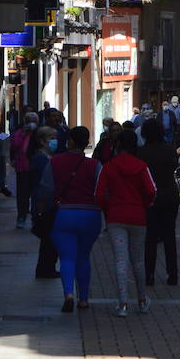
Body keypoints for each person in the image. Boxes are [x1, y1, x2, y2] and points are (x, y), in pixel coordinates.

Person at [95, 130, 157, 317]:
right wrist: (144, 205)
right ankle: (142, 300)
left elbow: (99, 194)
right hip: (137, 216)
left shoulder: (109, 166)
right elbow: (151, 191)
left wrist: (108, 208)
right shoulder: (142, 166)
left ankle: (122, 304)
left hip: (115, 216)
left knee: (120, 260)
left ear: (118, 145)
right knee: (138, 261)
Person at [44, 125, 102, 312]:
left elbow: (46, 189)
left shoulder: (55, 162)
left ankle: (69, 293)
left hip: (64, 214)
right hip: (90, 215)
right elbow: (101, 190)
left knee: (67, 258)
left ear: (69, 141)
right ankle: (83, 299)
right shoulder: (95, 165)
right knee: (83, 256)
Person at [139, 118, 180, 287]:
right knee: (169, 235)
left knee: (150, 237)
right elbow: (174, 166)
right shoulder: (170, 150)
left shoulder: (141, 152)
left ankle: (149, 274)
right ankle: (173, 273)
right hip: (170, 195)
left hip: (150, 197)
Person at [27, 126, 61, 280]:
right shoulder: (40, 159)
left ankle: (47, 268)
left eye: (55, 137)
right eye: (51, 138)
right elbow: (39, 185)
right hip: (44, 204)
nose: (55, 141)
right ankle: (45, 269)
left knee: (50, 239)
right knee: (48, 238)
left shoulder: (49, 157)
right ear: (42, 141)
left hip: (49, 202)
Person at [10, 114, 38, 228]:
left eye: (34, 121)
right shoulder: (19, 133)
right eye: (29, 121)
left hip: (35, 167)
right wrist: (24, 134)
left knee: (36, 193)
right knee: (22, 194)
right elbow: (15, 145)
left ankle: (35, 217)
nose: (31, 123)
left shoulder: (39, 133)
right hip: (22, 167)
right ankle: (21, 216)